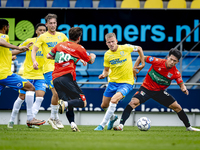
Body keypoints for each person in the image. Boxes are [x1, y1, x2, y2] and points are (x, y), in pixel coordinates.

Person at [113, 48, 200, 131]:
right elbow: (141, 57)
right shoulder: (157, 61)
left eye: (174, 61)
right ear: (168, 57)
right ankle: (121, 125)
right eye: (171, 59)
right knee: (133, 103)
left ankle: (189, 127)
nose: (172, 62)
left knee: (177, 107)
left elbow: (181, 84)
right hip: (146, 89)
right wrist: (135, 68)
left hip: (159, 92)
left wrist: (184, 89)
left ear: (177, 62)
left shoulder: (175, 73)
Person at [47, 27, 96, 132]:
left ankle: (73, 124)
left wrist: (70, 58)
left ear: (69, 35)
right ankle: (57, 114)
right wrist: (92, 55)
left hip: (55, 78)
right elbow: (90, 61)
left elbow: (49, 56)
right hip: (67, 77)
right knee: (82, 102)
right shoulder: (79, 48)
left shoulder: (60, 45)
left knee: (68, 102)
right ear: (79, 38)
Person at [94, 33, 145, 131]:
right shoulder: (107, 55)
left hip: (127, 82)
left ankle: (102, 125)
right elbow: (106, 70)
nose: (111, 44)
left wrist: (142, 63)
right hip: (112, 82)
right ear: (106, 43)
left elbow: (139, 48)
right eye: (109, 42)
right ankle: (113, 118)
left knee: (114, 100)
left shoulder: (126, 48)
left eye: (113, 41)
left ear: (116, 41)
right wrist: (103, 74)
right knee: (104, 105)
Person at [0, 19, 46, 127]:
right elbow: (1, 42)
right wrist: (17, 46)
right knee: (30, 87)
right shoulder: (4, 36)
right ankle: (30, 119)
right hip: (5, 74)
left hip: (4, 74)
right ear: (5, 27)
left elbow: (8, 52)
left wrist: (23, 49)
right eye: (8, 26)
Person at [32, 14, 68, 130]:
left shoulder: (61, 36)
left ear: (56, 24)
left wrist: (82, 58)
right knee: (56, 93)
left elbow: (70, 47)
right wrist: (34, 61)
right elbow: (34, 50)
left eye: (54, 23)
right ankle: (55, 117)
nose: (52, 25)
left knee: (58, 94)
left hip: (61, 68)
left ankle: (53, 117)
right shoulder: (42, 37)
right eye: (50, 23)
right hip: (49, 69)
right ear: (46, 24)